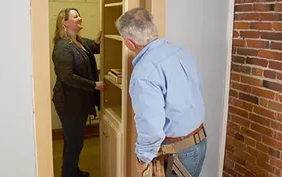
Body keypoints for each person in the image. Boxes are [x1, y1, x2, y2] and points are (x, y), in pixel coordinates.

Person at [115, 8, 207, 177]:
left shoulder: (144, 73)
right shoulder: (181, 51)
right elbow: (197, 87)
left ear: (130, 43)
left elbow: (150, 125)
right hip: (199, 141)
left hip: (179, 152)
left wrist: (143, 158)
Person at [52, 8, 106, 177]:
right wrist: (94, 85)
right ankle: (69, 173)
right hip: (69, 104)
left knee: (74, 141)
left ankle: (70, 171)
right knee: (74, 142)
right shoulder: (62, 47)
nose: (80, 18)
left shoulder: (78, 42)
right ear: (65, 22)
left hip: (78, 102)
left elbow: (96, 47)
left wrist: (104, 32)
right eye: (75, 16)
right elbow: (67, 77)